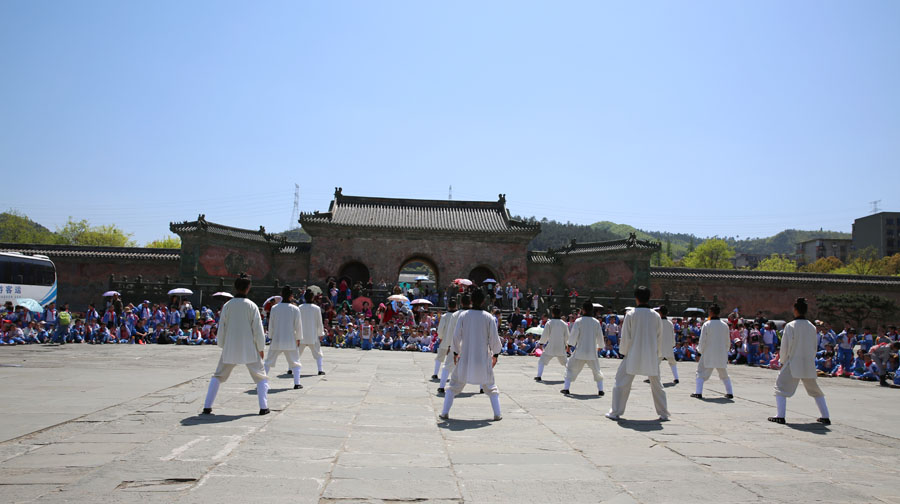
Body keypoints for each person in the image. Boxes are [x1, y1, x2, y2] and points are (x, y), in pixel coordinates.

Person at [201, 274, 270, 416]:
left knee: (218, 375)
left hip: (230, 346)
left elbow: (222, 327)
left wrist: (222, 344)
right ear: (248, 288)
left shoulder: (227, 305)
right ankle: (263, 407)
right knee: (261, 376)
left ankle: (207, 406)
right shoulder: (252, 306)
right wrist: (260, 348)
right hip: (249, 347)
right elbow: (258, 329)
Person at [606, 287, 670, 421]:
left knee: (621, 382)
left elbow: (626, 337)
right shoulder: (655, 315)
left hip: (633, 353)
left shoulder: (630, 314)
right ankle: (663, 413)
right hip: (650, 354)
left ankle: (616, 411)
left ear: (636, 298)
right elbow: (660, 336)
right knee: (657, 384)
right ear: (649, 297)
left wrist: (623, 352)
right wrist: (658, 353)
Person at [439, 290, 503, 421]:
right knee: (490, 386)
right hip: (483, 358)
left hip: (465, 357)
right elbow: (494, 339)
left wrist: (456, 352)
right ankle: (497, 414)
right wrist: (495, 354)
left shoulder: (464, 316)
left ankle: (445, 412)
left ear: (471, 301)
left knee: (454, 385)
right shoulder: (489, 317)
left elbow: (456, 337)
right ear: (484, 301)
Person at [768, 298, 831, 425]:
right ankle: (825, 416)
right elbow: (814, 346)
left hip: (793, 361)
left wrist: (782, 361)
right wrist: (810, 359)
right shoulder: (812, 327)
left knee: (780, 387)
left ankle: (780, 415)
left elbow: (785, 346)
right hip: (807, 362)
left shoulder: (791, 326)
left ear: (795, 310)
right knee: (815, 389)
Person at [561, 301, 605, 396]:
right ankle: (600, 390)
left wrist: (569, 346)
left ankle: (566, 388)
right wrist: (600, 346)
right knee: (597, 370)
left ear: (583, 310)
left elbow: (573, 336)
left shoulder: (579, 321)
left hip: (580, 352)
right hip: (592, 352)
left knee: (570, 367)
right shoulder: (596, 322)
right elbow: (600, 337)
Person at [264, 286, 304, 389]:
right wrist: (298, 338)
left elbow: (271, 325)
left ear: (281, 295)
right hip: (290, 339)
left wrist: (271, 336)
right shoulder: (295, 309)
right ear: (291, 296)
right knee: (295, 362)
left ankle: (263, 382)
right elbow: (298, 326)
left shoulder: (274, 308)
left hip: (277, 339)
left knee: (268, 362)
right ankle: (297, 383)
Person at [691, 304, 734, 400]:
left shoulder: (707, 324)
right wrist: (725, 351)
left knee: (700, 372)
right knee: (724, 374)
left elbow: (702, 340)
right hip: (721, 353)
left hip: (708, 353)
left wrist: (699, 351)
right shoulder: (725, 325)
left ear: (711, 312)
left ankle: (698, 392)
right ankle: (730, 392)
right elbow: (728, 341)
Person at [534, 304, 568, 382]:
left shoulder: (549, 323)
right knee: (566, 363)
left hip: (551, 347)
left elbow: (545, 335)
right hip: (560, 347)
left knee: (542, 361)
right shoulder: (564, 324)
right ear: (560, 313)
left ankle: (539, 376)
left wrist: (541, 344)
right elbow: (567, 337)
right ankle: (568, 376)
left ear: (552, 313)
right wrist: (568, 345)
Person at [298, 289, 326, 375]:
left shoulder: (300, 307)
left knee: (296, 353)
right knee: (318, 353)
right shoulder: (316, 308)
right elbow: (319, 322)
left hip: (301, 335)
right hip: (312, 335)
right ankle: (320, 369)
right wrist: (321, 333)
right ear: (313, 298)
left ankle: (291, 369)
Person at [432, 300, 458, 381]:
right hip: (455, 341)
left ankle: (435, 374)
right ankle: (454, 375)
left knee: (440, 357)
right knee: (454, 359)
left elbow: (440, 329)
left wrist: (440, 337)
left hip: (445, 339)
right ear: (456, 306)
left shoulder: (444, 316)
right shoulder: (459, 316)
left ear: (448, 306)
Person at [656, 306, 679, 384]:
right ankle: (676, 378)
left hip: (659, 345)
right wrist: (673, 344)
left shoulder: (657, 322)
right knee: (672, 362)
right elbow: (673, 334)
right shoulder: (670, 323)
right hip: (668, 345)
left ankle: (654, 378)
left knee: (655, 363)